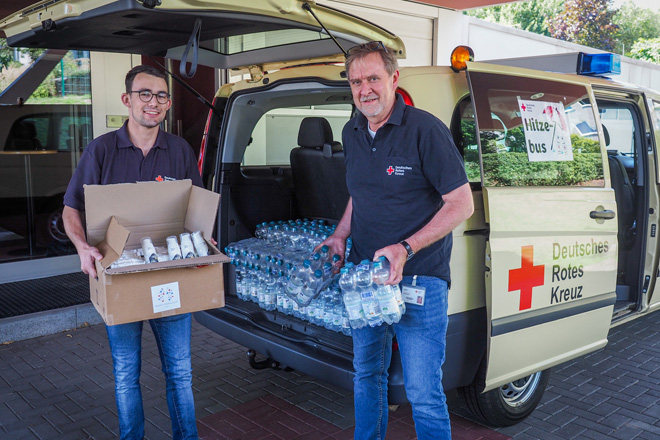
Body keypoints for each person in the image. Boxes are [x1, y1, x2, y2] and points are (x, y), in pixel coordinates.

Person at [320, 42, 474, 440]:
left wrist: (405, 249)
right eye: (356, 81)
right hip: (366, 277)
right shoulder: (352, 131)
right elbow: (361, 191)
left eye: (373, 78)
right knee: (366, 374)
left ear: (393, 79)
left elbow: (461, 204)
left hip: (419, 278)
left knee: (423, 391)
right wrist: (340, 234)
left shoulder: (425, 130)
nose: (364, 89)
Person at [62, 65, 203, 440]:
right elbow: (71, 208)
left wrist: (202, 244)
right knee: (126, 373)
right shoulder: (103, 150)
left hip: (168, 276)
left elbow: (197, 210)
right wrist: (82, 247)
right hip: (120, 279)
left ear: (168, 104)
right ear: (127, 99)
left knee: (180, 372)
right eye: (144, 94)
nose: (152, 102)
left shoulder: (180, 150)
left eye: (160, 96)